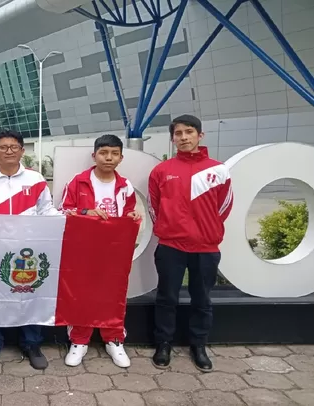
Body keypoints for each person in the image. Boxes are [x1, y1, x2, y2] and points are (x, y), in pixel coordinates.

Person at [0, 130, 60, 371]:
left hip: (29, 251)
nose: (9, 151)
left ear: (22, 151)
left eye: (14, 147)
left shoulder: (36, 179)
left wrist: (72, 219)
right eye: (3, 147)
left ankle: (32, 344)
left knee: (30, 293)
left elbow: (47, 211)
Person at [148, 115, 233, 372]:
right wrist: (168, 228)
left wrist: (207, 229)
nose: (184, 137)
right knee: (166, 297)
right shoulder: (162, 171)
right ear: (172, 138)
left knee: (202, 299)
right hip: (171, 246)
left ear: (200, 135)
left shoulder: (218, 170)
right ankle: (163, 343)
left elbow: (225, 206)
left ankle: (199, 345)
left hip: (206, 248)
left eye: (189, 132)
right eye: (178, 133)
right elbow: (154, 206)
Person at [58, 134, 141, 368]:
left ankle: (114, 339)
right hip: (83, 250)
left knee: (114, 294)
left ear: (121, 157)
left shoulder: (125, 186)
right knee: (81, 294)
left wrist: (132, 216)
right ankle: (79, 340)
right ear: (94, 156)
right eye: (104, 153)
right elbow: (63, 211)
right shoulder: (78, 181)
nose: (109, 158)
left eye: (114, 153)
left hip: (114, 251)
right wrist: (87, 213)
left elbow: (130, 212)